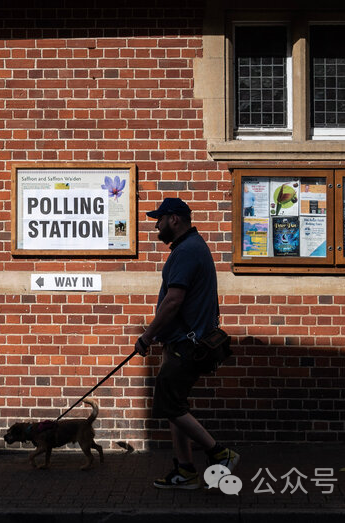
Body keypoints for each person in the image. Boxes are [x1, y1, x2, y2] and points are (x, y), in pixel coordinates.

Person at [134, 197, 240, 490]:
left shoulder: (186, 252)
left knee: (168, 402)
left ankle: (219, 452)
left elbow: (174, 300)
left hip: (186, 345)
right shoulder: (191, 248)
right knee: (173, 405)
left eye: (160, 219)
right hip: (183, 342)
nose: (157, 225)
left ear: (174, 219)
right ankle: (186, 470)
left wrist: (147, 334)